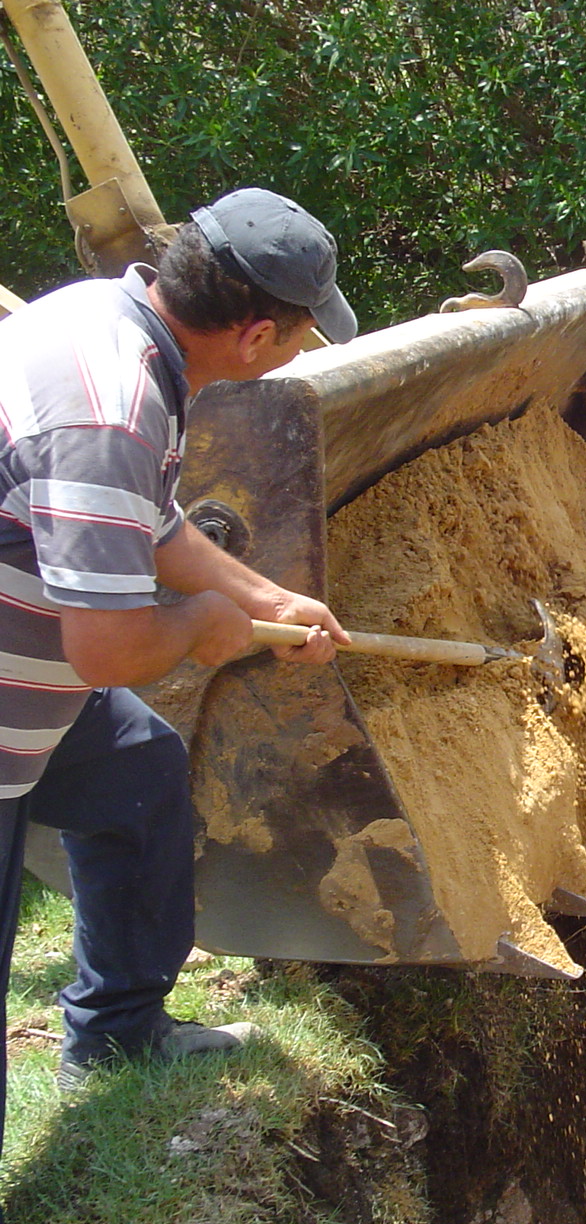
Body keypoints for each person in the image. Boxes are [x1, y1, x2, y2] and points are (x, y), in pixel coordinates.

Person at [0, 187, 356, 1148]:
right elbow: (108, 648)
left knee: (141, 774)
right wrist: (202, 623)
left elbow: (150, 527)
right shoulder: (113, 410)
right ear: (251, 335)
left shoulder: (107, 322)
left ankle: (118, 1031)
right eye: (296, 337)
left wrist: (265, 600)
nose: (296, 354)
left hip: (36, 685)